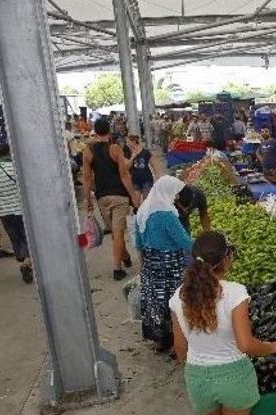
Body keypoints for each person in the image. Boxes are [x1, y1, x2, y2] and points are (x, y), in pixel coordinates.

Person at [171, 231, 276, 415]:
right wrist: (273, 346)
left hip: (198, 378)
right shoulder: (235, 293)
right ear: (226, 260)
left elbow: (180, 351)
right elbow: (246, 344)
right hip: (234, 376)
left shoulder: (178, 297)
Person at [135, 176, 193, 353]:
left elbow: (138, 243)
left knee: (155, 300)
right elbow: (185, 242)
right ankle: (178, 345)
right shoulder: (167, 216)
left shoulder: (143, 211)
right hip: (170, 265)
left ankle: (160, 341)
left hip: (151, 263)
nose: (175, 198)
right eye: (174, 193)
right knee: (174, 301)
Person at [83, 117, 140, 281]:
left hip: (102, 198)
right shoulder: (115, 149)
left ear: (95, 131)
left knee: (116, 232)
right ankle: (120, 262)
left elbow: (87, 179)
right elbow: (124, 175)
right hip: (119, 196)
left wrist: (88, 201)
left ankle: (121, 263)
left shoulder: (88, 151)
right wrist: (133, 196)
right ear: (109, 130)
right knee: (118, 232)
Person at [0, 144, 33, 283]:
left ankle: (23, 257)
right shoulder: (15, 167)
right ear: (9, 153)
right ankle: (27, 263)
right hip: (20, 210)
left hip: (4, 213)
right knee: (27, 237)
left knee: (16, 239)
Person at [126, 135, 155, 201]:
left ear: (134, 142)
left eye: (128, 142)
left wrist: (156, 176)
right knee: (136, 201)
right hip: (134, 180)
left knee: (147, 201)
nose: (127, 144)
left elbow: (153, 164)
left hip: (146, 179)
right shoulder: (128, 153)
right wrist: (132, 157)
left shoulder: (145, 152)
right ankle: (138, 211)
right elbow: (127, 167)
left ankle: (145, 211)